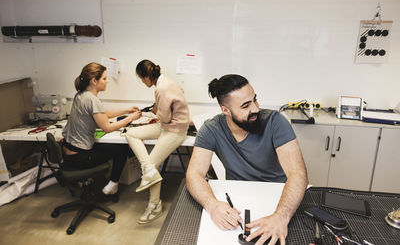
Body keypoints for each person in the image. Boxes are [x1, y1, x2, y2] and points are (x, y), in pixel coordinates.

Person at [186, 74, 308, 245]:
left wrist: (281, 216)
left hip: (280, 198)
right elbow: (194, 174)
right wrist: (212, 205)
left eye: (255, 100)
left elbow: (298, 174)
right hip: (238, 201)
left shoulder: (275, 122)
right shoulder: (211, 129)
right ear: (225, 111)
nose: (256, 109)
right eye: (246, 106)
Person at [125, 59, 190, 224]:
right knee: (131, 133)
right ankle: (147, 168)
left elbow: (165, 117)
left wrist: (156, 110)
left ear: (147, 76)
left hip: (175, 131)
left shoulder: (161, 87)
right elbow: (178, 92)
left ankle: (155, 207)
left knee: (152, 167)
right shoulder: (165, 81)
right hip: (166, 127)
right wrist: (158, 107)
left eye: (141, 78)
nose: (141, 81)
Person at [62, 62, 141, 196]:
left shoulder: (81, 95)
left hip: (68, 154)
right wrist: (130, 118)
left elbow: (101, 114)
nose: (107, 81)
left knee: (111, 146)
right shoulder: (92, 100)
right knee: (122, 148)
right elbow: (107, 127)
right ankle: (113, 184)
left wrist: (126, 111)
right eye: (104, 78)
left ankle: (109, 182)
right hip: (80, 158)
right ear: (94, 81)